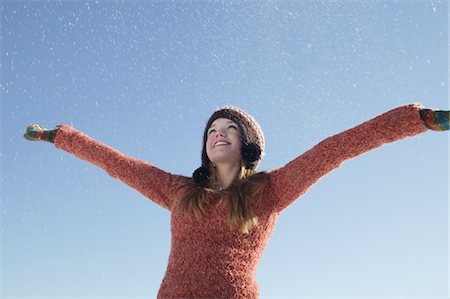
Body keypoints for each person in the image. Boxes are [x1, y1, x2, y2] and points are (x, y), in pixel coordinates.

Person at [24, 104, 448, 298]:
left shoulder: (272, 189)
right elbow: (115, 163)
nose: (217, 132)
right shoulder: (180, 191)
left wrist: (418, 121)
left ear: (247, 144)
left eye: (229, 127)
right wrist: (57, 136)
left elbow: (335, 149)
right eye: (211, 129)